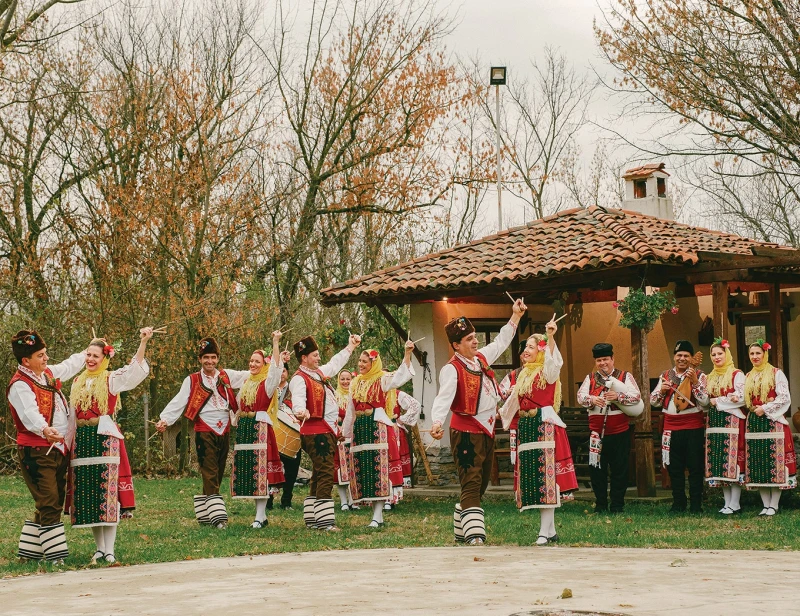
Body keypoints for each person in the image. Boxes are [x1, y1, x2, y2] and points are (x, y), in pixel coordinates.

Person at [429, 299, 526, 546]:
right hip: (466, 431)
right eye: (469, 339)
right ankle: (474, 535)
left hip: (486, 429)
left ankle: (461, 529)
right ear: (456, 346)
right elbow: (444, 397)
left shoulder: (480, 359)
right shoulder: (452, 369)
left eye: (474, 337)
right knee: (471, 481)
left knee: (481, 482)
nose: (475, 342)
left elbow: (501, 342)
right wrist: (437, 422)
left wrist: (515, 316)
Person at [68, 329, 153, 564]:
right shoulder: (77, 381)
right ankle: (99, 548)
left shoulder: (111, 379)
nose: (91, 360)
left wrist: (143, 342)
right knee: (89, 495)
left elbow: (135, 371)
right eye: (88, 355)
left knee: (107, 493)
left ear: (104, 358)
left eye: (95, 356)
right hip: (82, 440)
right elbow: (71, 417)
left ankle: (110, 549)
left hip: (104, 438)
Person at [8, 330, 85, 563]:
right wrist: (45, 429)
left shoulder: (46, 375)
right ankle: (55, 556)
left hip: (56, 449)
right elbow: (29, 413)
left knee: (52, 499)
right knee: (49, 499)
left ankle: (30, 553)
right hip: (37, 451)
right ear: (26, 361)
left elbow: (69, 366)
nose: (46, 358)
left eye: (45, 353)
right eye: (41, 355)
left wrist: (90, 350)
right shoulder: (19, 385)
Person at [499, 321, 578, 545]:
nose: (526, 350)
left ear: (541, 351)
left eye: (531, 347)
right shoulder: (522, 376)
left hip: (545, 427)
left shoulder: (547, 372)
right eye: (525, 348)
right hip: (527, 427)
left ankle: (544, 532)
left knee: (547, 479)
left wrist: (550, 338)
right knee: (535, 478)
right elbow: (511, 401)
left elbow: (556, 363)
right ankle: (550, 530)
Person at [156, 338, 249, 529]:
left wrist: (272, 360)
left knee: (219, 470)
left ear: (218, 358)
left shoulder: (226, 376)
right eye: (206, 357)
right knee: (209, 470)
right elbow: (179, 401)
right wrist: (165, 419)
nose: (210, 361)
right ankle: (218, 518)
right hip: (204, 427)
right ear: (200, 359)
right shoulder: (192, 380)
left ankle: (205, 514)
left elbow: (251, 374)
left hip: (224, 428)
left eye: (213, 357)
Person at [289, 334, 360, 531]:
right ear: (304, 358)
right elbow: (298, 401)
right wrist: (300, 411)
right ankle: (325, 521)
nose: (318, 358)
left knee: (319, 473)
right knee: (327, 471)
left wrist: (350, 346)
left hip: (325, 430)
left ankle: (312, 517)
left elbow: (335, 363)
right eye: (315, 355)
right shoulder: (299, 379)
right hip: (315, 431)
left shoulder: (318, 373)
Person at [341, 342, 416, 527]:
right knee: (366, 470)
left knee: (379, 471)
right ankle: (378, 517)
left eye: (365, 361)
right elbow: (351, 410)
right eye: (359, 360)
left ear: (373, 363)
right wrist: (345, 433)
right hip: (361, 429)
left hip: (378, 428)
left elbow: (399, 377)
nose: (361, 364)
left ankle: (377, 515)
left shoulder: (382, 379)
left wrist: (407, 353)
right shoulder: (355, 383)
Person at [230, 331, 290, 528]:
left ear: (264, 364)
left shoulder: (268, 383)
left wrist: (275, 342)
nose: (253, 364)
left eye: (257, 361)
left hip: (260, 429)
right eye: (251, 361)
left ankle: (260, 515)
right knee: (251, 473)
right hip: (246, 428)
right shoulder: (247, 383)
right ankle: (261, 516)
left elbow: (276, 368)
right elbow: (239, 406)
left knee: (261, 472)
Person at [577, 342, 641, 514]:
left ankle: (617, 505)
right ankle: (601, 504)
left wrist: (618, 396)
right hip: (596, 434)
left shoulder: (624, 376)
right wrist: (592, 399)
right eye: (599, 360)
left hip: (619, 431)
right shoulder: (590, 378)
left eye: (605, 359)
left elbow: (636, 396)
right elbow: (580, 397)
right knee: (597, 469)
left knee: (620, 469)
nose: (602, 363)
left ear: (612, 359)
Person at [650, 340, 709, 513]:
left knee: (695, 466)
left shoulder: (700, 374)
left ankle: (696, 504)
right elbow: (653, 401)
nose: (682, 359)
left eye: (686, 355)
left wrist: (695, 382)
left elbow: (705, 401)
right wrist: (661, 390)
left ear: (691, 358)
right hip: (670, 427)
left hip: (692, 426)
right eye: (679, 355)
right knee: (674, 468)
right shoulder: (665, 375)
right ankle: (678, 503)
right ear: (674, 357)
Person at [743, 340, 797, 515]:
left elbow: (784, 397)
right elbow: (747, 400)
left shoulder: (776, 373)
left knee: (775, 463)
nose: (755, 357)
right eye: (752, 354)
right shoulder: (749, 375)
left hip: (773, 422)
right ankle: (765, 504)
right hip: (755, 423)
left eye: (758, 353)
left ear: (765, 354)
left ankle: (774, 504)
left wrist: (765, 407)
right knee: (759, 463)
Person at [704, 337, 746, 515]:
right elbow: (706, 399)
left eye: (720, 353)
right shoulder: (710, 376)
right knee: (720, 462)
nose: (716, 357)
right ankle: (727, 502)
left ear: (726, 354)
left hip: (732, 421)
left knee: (732, 461)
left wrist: (718, 401)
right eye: (713, 354)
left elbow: (743, 397)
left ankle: (735, 503)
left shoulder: (737, 374)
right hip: (714, 422)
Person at [334, 369, 357, 511]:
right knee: (341, 470)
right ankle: (343, 501)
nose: (345, 382)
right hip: (340, 436)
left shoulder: (355, 395)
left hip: (354, 435)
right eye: (342, 379)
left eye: (348, 379)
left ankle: (353, 500)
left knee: (352, 468)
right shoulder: (334, 396)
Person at [394, 390, 422, 491]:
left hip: (393, 430)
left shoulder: (396, 393)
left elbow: (415, 405)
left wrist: (402, 419)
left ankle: (398, 488)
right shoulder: (373, 392)